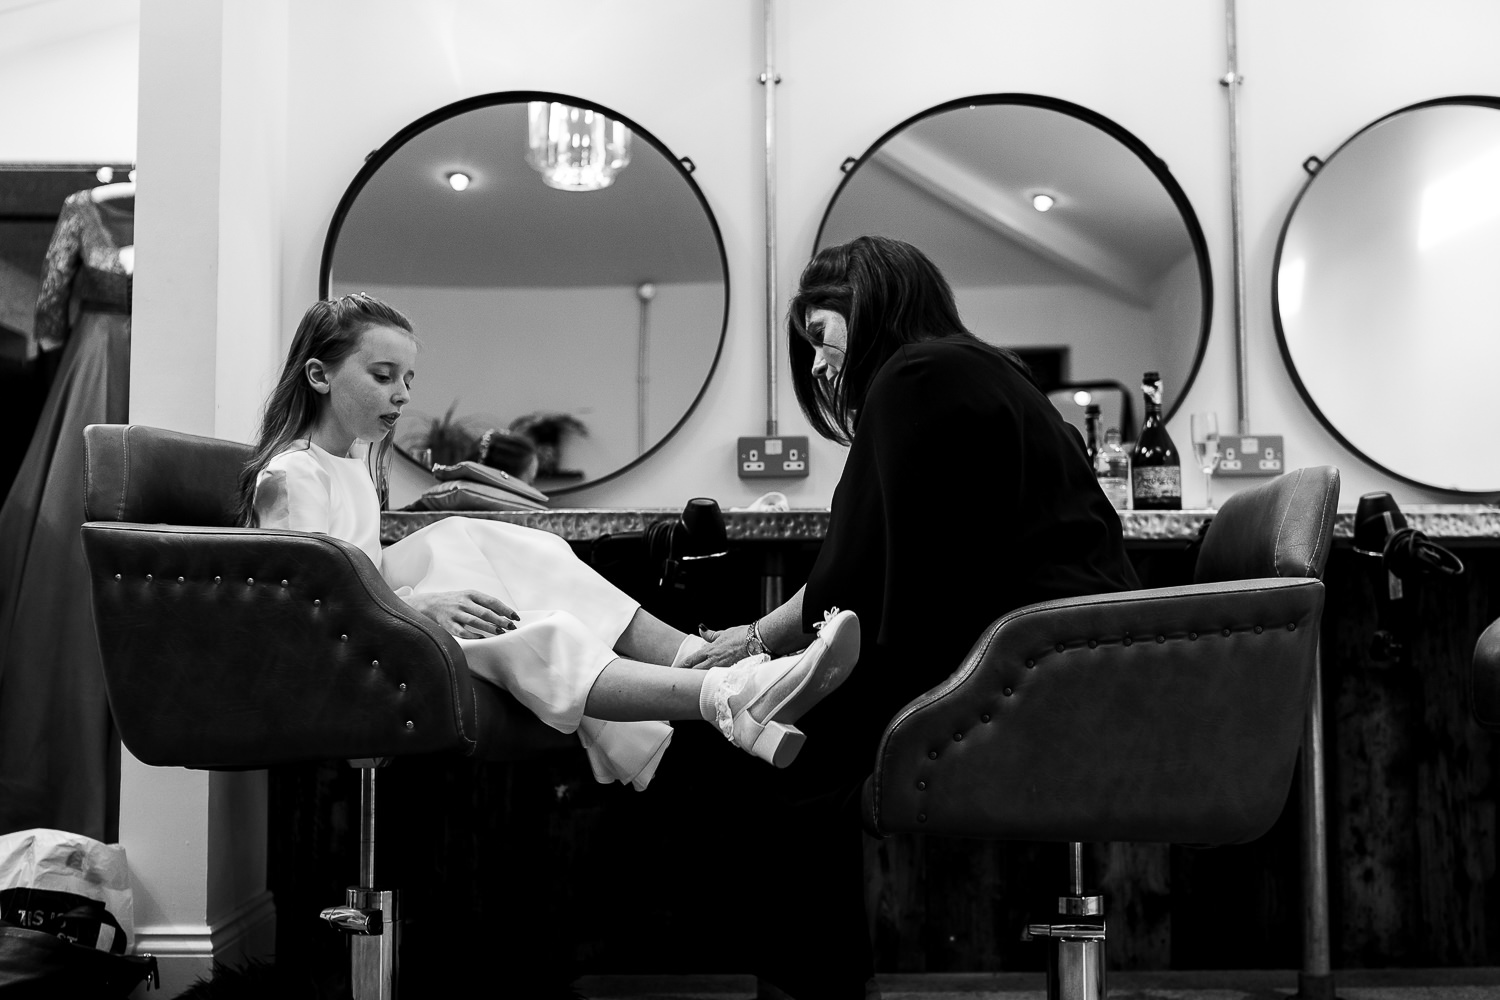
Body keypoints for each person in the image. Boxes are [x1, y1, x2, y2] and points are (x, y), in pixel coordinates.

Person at [682, 236, 1140, 998]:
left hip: (1037, 670)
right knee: (785, 733)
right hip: (1080, 661)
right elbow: (867, 572)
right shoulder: (969, 368)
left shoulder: (916, 376)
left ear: (871, 309)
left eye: (824, 338)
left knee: (774, 745)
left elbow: (849, 580)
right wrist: (756, 641)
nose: (822, 365)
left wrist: (752, 645)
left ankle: (816, 992)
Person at [239, 293, 860, 789]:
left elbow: (356, 570)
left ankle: (710, 663)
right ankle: (730, 693)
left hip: (379, 618)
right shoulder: (293, 475)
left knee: (510, 544)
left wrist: (420, 587)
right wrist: (412, 607)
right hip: (353, 645)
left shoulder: (350, 463)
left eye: (408, 376)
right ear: (318, 375)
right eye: (382, 375)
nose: (402, 393)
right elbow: (307, 608)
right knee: (545, 632)